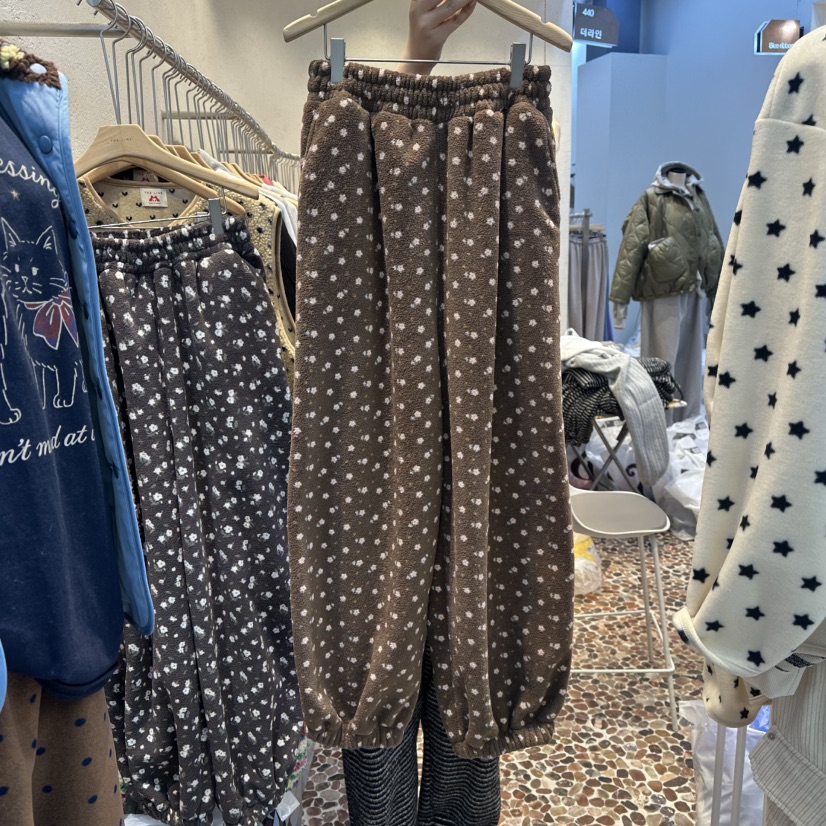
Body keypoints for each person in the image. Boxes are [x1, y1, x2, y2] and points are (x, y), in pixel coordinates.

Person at [339, 4, 503, 826]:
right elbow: (381, 189)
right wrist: (418, 53)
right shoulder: (347, 144)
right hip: (370, 437)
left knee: (467, 606)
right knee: (383, 619)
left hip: (441, 421)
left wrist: (421, 54)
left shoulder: (507, 139)